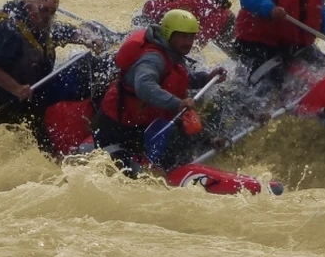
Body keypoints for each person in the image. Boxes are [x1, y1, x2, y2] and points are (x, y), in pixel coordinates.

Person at [0, 0, 103, 154]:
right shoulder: (7, 30)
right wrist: (15, 88)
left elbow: (70, 32)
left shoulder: (45, 27)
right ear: (28, 7)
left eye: (52, 12)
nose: (48, 16)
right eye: (44, 10)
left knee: (42, 151)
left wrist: (88, 38)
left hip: (23, 102)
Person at [92, 9, 227, 175]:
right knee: (126, 177)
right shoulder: (153, 58)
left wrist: (207, 78)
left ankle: (179, 166)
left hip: (143, 127)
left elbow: (179, 79)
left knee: (179, 142)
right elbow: (144, 86)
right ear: (169, 34)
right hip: (115, 130)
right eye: (183, 36)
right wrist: (177, 103)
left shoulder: (173, 53)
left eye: (191, 37)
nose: (189, 42)